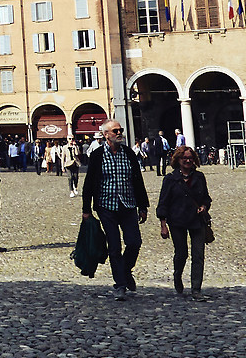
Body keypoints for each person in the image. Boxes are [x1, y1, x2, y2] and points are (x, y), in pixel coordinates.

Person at [81, 120, 149, 299]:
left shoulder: (128, 153)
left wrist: (143, 205)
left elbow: (137, 180)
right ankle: (120, 284)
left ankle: (125, 270)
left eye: (120, 130)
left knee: (134, 242)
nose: (119, 133)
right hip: (106, 206)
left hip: (128, 204)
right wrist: (86, 209)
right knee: (114, 246)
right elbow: (89, 183)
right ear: (106, 135)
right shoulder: (97, 155)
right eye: (115, 131)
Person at [156, 145, 212, 298]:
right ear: (178, 160)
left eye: (190, 158)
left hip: (197, 221)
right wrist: (163, 225)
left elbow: (206, 198)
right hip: (177, 221)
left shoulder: (199, 177)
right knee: (181, 253)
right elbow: (163, 203)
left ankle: (196, 288)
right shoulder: (170, 179)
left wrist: (204, 206)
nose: (188, 160)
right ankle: (177, 274)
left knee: (198, 255)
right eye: (184, 158)